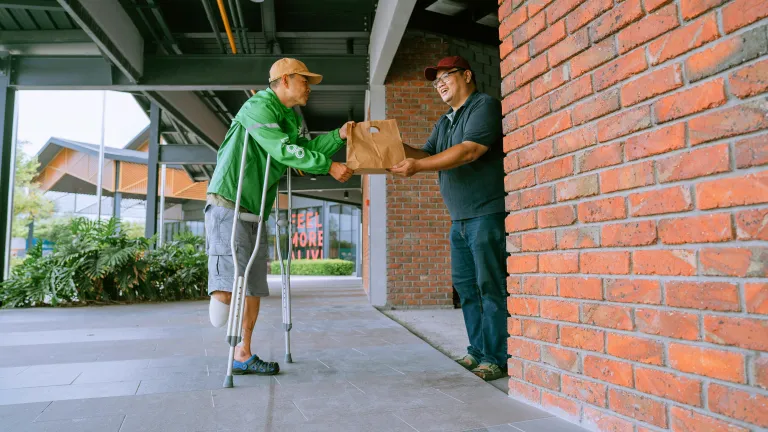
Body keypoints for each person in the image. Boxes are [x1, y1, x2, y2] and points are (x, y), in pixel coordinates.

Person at [204, 58, 354, 375]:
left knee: (254, 286)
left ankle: (242, 354)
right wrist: (329, 166)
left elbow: (304, 150)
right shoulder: (259, 106)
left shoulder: (289, 117)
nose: (309, 87)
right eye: (304, 80)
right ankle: (226, 326)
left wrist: (339, 136)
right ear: (285, 80)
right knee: (226, 292)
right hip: (228, 203)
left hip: (256, 210)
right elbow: (284, 151)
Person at [389, 56, 508, 381]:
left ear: (467, 75)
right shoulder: (445, 122)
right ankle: (477, 352)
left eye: (446, 76)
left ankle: (496, 358)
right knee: (466, 289)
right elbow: (426, 154)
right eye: (435, 80)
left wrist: (417, 167)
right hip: (459, 220)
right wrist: (389, 146)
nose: (439, 84)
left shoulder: (483, 106)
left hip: (486, 213)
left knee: (490, 287)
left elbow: (470, 150)